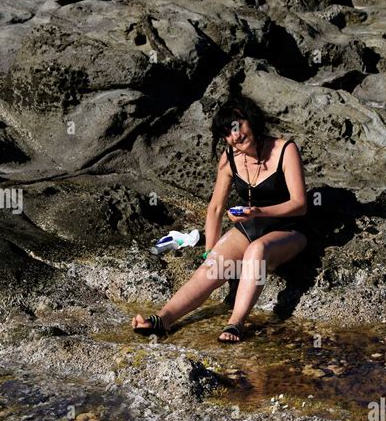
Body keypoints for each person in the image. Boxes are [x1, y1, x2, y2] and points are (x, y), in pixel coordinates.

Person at [132, 95, 308, 342]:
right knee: (212, 266)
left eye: (238, 126)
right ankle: (164, 319)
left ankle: (235, 323)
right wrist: (209, 252)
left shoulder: (284, 150)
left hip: (290, 230)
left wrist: (259, 212)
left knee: (257, 250)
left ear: (251, 120)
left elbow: (300, 205)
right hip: (250, 226)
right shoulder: (229, 159)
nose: (235, 136)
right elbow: (215, 208)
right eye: (227, 133)